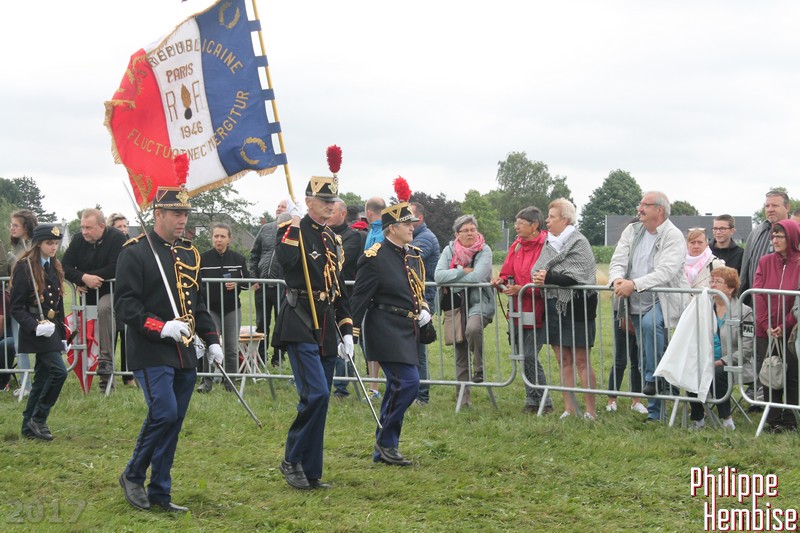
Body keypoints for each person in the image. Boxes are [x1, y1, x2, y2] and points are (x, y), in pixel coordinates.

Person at [116, 176, 223, 512]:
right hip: (150, 348)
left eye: (185, 214)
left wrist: (212, 339)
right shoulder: (135, 253)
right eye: (176, 213)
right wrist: (161, 327)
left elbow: (196, 302)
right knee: (164, 412)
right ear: (158, 213)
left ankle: (160, 491)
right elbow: (126, 306)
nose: (182, 220)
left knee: (174, 422)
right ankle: (133, 474)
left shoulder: (190, 253)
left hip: (184, 352)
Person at [271, 171, 353, 491]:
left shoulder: (332, 238)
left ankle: (311, 469)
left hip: (326, 323)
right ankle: (291, 458)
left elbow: (337, 286)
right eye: (324, 200)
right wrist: (293, 222)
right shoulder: (292, 230)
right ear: (308, 201)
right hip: (299, 319)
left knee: (322, 399)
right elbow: (286, 261)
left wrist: (347, 328)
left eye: (333, 201)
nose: (330, 205)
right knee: (315, 394)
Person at [350, 202, 430, 465]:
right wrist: (350, 333)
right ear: (392, 228)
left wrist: (424, 308)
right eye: (407, 224)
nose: (412, 228)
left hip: (407, 328)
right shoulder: (374, 257)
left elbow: (417, 289)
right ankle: (385, 442)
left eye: (412, 223)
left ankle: (385, 446)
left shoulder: (412, 255)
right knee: (408, 383)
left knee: (399, 386)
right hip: (384, 328)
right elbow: (359, 298)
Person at [609, 191, 689, 422]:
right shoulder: (632, 231)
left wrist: (634, 284)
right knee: (647, 351)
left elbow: (666, 272)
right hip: (635, 300)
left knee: (649, 326)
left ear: (659, 210)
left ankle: (653, 385)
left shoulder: (673, 235)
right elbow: (618, 259)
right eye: (640, 204)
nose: (639, 208)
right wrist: (617, 279)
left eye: (645, 204)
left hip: (662, 298)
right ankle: (656, 408)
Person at [532, 199, 598, 419]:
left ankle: (590, 411)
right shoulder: (549, 243)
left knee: (581, 360)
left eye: (551, 217)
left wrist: (548, 277)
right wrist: (542, 276)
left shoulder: (580, 242)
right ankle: (569, 408)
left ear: (565, 219)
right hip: (554, 305)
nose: (547, 221)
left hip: (578, 306)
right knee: (563, 359)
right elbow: (538, 270)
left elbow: (577, 276)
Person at [491, 206, 554, 414]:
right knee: (521, 355)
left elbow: (546, 280)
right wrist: (501, 281)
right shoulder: (516, 245)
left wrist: (523, 289)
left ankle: (545, 401)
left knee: (529, 355)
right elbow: (507, 271)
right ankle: (532, 400)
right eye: (516, 223)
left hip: (540, 310)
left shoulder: (547, 246)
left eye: (521, 223)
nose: (516, 227)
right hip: (517, 310)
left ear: (534, 225)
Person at [10, 223, 67, 440]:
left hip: (52, 329)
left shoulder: (55, 265)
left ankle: (28, 427)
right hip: (35, 329)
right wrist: (35, 326)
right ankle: (39, 419)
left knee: (42, 378)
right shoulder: (25, 267)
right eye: (49, 243)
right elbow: (16, 307)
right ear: (38, 244)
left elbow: (58, 304)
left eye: (56, 243)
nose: (53, 247)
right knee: (59, 372)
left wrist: (63, 335)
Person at [61, 208, 126, 391]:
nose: (84, 232)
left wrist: (87, 278)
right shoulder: (78, 240)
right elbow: (64, 266)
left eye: (88, 228)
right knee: (84, 328)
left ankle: (105, 365)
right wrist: (82, 278)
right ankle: (84, 370)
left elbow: (116, 267)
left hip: (112, 292)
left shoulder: (117, 238)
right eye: (82, 227)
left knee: (104, 309)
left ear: (102, 226)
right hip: (87, 296)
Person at [434, 214, 495, 407]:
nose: (470, 233)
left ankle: (479, 368)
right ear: (457, 234)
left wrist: (454, 279)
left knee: (473, 328)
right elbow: (438, 276)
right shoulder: (449, 250)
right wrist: (463, 271)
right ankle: (463, 399)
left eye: (473, 229)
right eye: (465, 230)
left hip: (480, 301)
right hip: (455, 304)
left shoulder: (484, 250)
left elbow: (477, 277)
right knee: (460, 350)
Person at [687, 267, 753, 430]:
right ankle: (698, 418)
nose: (713, 285)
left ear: (731, 288)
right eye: (712, 281)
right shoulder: (703, 308)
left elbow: (747, 348)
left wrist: (722, 361)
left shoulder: (745, 312)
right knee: (691, 370)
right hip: (706, 359)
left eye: (718, 281)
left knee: (718, 372)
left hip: (734, 363)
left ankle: (727, 419)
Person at [752, 220, 800, 432]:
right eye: (774, 236)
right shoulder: (765, 261)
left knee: (791, 374)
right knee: (770, 372)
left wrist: (785, 324)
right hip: (766, 329)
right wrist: (767, 325)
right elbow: (758, 292)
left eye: (781, 236)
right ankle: (773, 419)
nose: (775, 240)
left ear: (792, 238)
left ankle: (790, 419)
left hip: (792, 330)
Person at [198, 222, 250, 393]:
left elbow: (248, 283)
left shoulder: (238, 259)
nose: (219, 240)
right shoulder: (202, 259)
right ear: (211, 238)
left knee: (231, 348)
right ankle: (206, 383)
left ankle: (230, 383)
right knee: (210, 345)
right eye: (216, 236)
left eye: (222, 236)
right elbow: (196, 283)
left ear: (229, 239)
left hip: (232, 309)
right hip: (210, 309)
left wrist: (237, 283)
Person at [331, 200, 365, 400]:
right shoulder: (323, 234)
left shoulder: (353, 236)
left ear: (343, 214)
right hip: (327, 296)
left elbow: (340, 261)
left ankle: (341, 387)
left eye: (333, 211)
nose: (329, 214)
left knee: (344, 339)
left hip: (347, 297)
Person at [250, 200, 289, 366]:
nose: (279, 209)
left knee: (281, 324)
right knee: (261, 323)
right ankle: (261, 357)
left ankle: (278, 358)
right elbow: (254, 255)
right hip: (262, 285)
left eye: (283, 207)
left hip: (282, 287)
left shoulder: (294, 231)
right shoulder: (265, 229)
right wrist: (254, 278)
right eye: (278, 206)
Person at [409, 202, 440, 405]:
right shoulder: (417, 236)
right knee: (411, 347)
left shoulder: (425, 238)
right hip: (415, 297)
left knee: (418, 349)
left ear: (419, 218)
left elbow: (411, 259)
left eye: (409, 217)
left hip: (423, 299)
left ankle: (422, 395)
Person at [740, 190, 791, 300]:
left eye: (775, 205)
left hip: (788, 303)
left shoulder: (796, 232)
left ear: (787, 208)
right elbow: (745, 268)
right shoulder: (756, 233)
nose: (770, 209)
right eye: (767, 206)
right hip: (756, 302)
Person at [8, 209, 37, 398]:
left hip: (33, 302)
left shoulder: (36, 246)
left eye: (15, 225)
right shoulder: (15, 248)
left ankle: (40, 381)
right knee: (19, 345)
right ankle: (26, 383)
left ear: (26, 226)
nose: (12, 228)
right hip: (17, 302)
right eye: (11, 225)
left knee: (39, 343)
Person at [106, 213, 135, 386]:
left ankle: (128, 375)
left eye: (125, 226)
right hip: (109, 295)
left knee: (127, 334)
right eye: (119, 227)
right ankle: (108, 375)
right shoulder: (108, 246)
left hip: (128, 296)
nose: (123, 230)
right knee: (110, 336)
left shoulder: (133, 245)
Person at [362, 196, 386, 399]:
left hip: (378, 294)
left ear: (369, 212)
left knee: (379, 342)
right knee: (372, 342)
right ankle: (374, 387)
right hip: (372, 294)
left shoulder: (381, 232)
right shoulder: (375, 230)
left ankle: (377, 387)